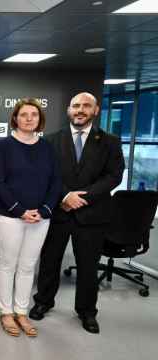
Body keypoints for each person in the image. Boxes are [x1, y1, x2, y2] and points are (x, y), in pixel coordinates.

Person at [31, 92, 124, 334]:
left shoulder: (110, 141)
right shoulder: (51, 140)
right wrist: (64, 196)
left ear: (95, 110)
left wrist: (83, 197)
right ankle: (43, 302)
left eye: (86, 106)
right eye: (75, 106)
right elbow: (44, 174)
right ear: (68, 110)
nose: (80, 110)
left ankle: (87, 312)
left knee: (88, 267)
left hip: (92, 214)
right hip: (59, 211)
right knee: (50, 262)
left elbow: (114, 176)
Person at [0, 98, 61, 337]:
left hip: (40, 218)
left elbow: (55, 183)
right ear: (15, 119)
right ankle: (6, 312)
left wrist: (44, 211)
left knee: (28, 266)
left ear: (40, 120)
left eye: (34, 114)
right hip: (9, 216)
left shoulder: (48, 148)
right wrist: (20, 210)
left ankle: (21, 312)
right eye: (24, 114)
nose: (29, 118)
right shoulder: (3, 146)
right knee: (8, 264)